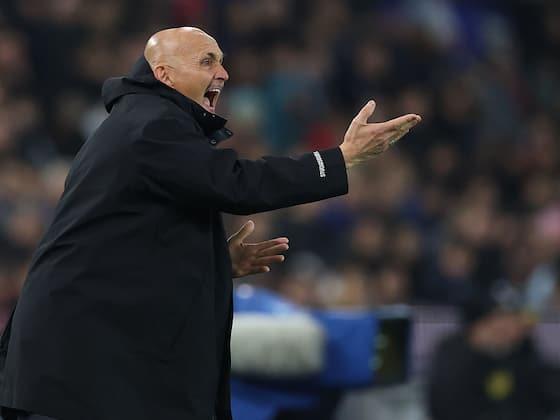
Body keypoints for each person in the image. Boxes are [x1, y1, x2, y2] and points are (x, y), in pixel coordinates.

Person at [0, 27, 421, 420]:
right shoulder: (150, 122)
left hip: (86, 357)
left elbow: (126, 245)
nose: (223, 72)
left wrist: (212, 260)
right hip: (80, 362)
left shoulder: (144, 123)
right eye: (206, 61)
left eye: (220, 61)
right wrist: (339, 159)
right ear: (164, 74)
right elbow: (236, 183)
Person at [428, 293, 560, 420]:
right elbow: (444, 404)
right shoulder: (454, 352)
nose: (511, 326)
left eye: (513, 319)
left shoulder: (524, 352)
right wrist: (476, 349)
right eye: (500, 318)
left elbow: (544, 395)